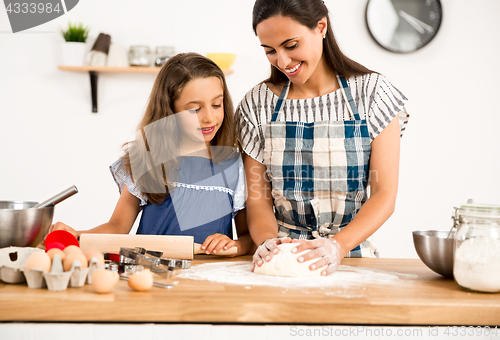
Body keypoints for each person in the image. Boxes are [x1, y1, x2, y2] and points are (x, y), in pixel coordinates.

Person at [237, 0, 409, 274]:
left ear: (321, 27)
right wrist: (270, 243)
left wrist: (337, 247)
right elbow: (258, 199)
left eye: (291, 45)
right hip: (283, 260)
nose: (282, 62)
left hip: (353, 259)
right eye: (270, 50)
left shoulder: (373, 94)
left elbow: (384, 194)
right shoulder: (257, 104)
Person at [50, 52, 254, 257]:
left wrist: (234, 245)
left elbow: (249, 238)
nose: (209, 117)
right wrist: (77, 236)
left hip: (210, 280)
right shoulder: (147, 159)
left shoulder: (234, 165)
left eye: (217, 105)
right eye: (195, 109)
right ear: (169, 111)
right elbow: (118, 227)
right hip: (151, 271)